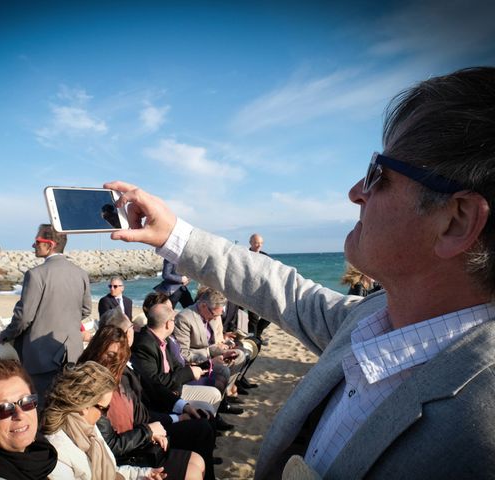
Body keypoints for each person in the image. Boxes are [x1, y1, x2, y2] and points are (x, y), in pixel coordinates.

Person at [103, 66, 495, 478]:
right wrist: (175, 235)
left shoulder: (479, 432)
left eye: (379, 173)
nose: (356, 192)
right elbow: (281, 289)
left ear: (456, 220)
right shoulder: (375, 318)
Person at [79, 324, 211, 480]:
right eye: (110, 355)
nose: (114, 362)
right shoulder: (93, 388)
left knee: (198, 460)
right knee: (193, 470)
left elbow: (141, 413)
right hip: (124, 457)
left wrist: (154, 431)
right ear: (96, 351)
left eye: (119, 357)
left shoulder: (120, 377)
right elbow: (110, 445)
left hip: (138, 441)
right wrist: (149, 432)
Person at [0, 224, 91, 406]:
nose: (33, 246)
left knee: (43, 407)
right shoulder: (80, 274)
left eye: (37, 242)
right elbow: (86, 309)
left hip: (41, 354)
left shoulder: (36, 275)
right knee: (68, 405)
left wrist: (6, 335)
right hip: (72, 352)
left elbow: (24, 317)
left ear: (50, 245)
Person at [43, 360, 166, 480]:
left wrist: (144, 474)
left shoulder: (87, 427)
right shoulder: (56, 451)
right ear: (85, 406)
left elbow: (111, 470)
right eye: (104, 409)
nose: (104, 415)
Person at [132, 302, 223, 417]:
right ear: (167, 324)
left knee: (214, 394)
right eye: (173, 320)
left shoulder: (164, 340)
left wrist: (207, 365)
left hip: (173, 389)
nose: (174, 323)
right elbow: (154, 381)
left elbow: (177, 366)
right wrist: (189, 373)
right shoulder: (144, 344)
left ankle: (207, 422)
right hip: (161, 397)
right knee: (207, 406)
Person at [173, 289, 247, 413]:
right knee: (223, 370)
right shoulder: (184, 318)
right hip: (196, 362)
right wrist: (211, 354)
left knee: (240, 355)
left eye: (219, 315)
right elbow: (183, 355)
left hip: (213, 355)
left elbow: (217, 341)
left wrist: (225, 349)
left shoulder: (214, 314)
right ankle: (219, 407)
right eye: (214, 314)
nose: (216, 318)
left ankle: (225, 396)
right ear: (203, 306)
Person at [246, 233, 271, 343]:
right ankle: (252, 338)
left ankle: (258, 335)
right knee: (253, 318)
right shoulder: (245, 255)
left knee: (270, 315)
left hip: (263, 290)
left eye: (261, 243)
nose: (258, 245)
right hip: (249, 290)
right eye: (256, 242)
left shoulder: (266, 256)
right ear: (250, 242)